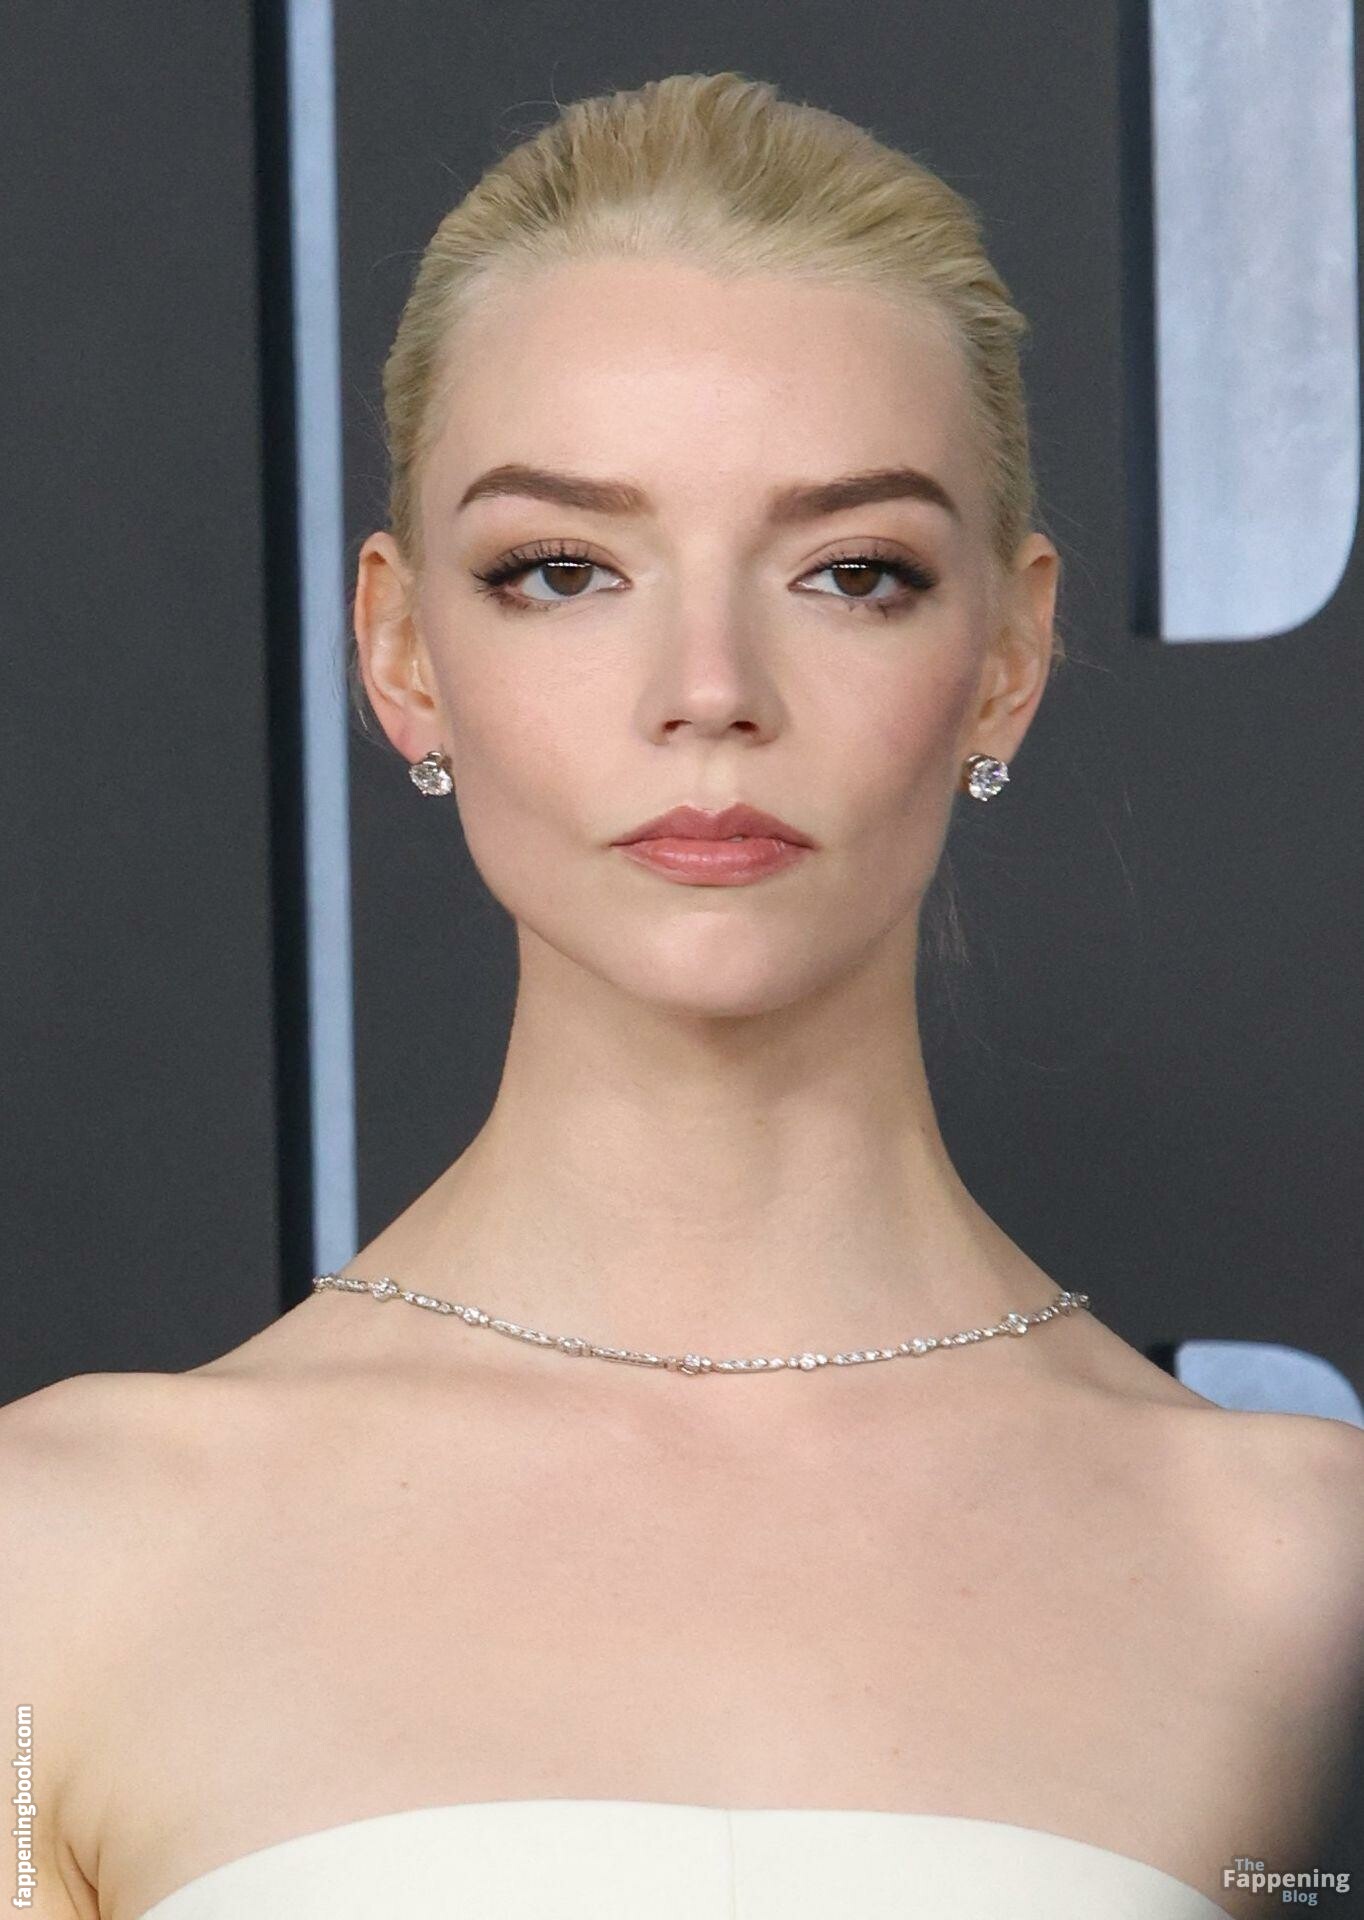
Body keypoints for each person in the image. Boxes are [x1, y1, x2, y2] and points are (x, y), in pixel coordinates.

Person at [4, 68, 1362, 1920]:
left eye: (851, 572)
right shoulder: (54, 1559)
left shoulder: (1299, 1583)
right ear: (402, 649)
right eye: (562, 570)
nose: (709, 687)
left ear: (1009, 653)